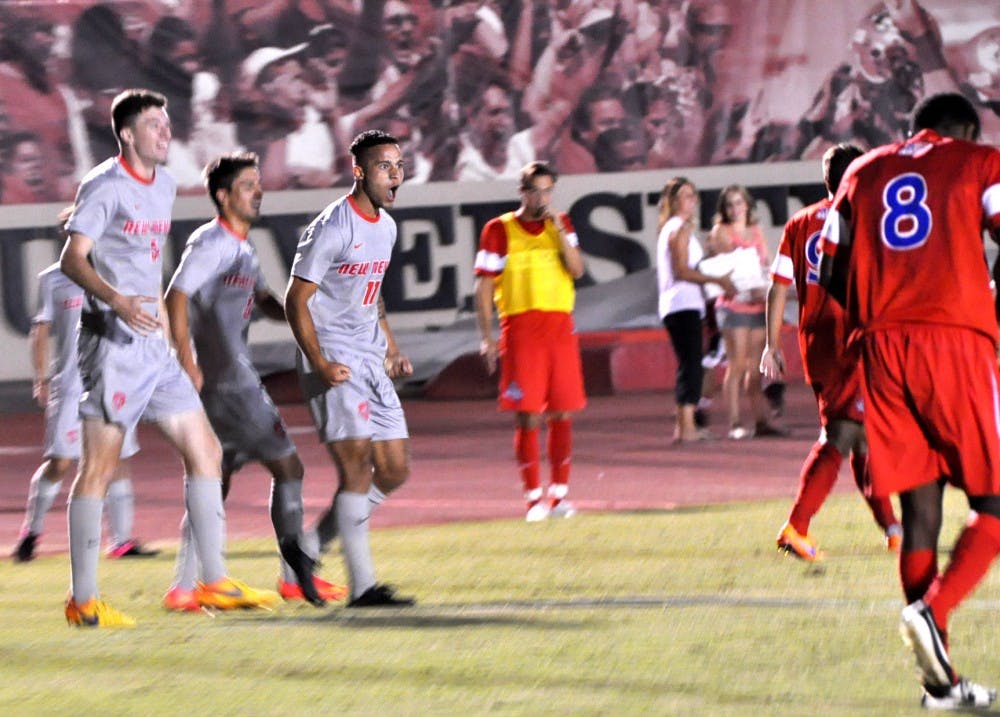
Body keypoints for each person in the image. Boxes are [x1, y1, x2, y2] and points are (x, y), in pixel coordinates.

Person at [59, 88, 278, 627]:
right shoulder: (104, 186)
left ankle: (211, 581)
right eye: (155, 125)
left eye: (166, 122)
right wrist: (115, 300)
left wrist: (173, 344)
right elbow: (72, 258)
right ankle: (82, 600)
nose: (165, 132)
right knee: (99, 469)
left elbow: (150, 268)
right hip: (112, 345)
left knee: (206, 452)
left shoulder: (161, 185)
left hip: (154, 346)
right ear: (128, 134)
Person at [819, 92, 1000, 710]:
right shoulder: (980, 160)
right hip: (954, 342)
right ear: (966, 129)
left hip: (882, 348)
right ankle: (933, 610)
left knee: (922, 511)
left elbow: (830, 270)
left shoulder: (862, 171)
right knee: (995, 500)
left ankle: (939, 687)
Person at [164, 152, 346, 611]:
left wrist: (306, 312)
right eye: (248, 185)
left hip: (220, 386)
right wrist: (186, 358)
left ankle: (184, 586)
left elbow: (263, 300)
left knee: (213, 480)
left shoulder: (240, 247)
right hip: (231, 385)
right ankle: (292, 575)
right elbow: (177, 294)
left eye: (258, 183)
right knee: (289, 469)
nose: (258, 191)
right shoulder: (212, 242)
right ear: (223, 196)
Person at [285, 129, 416, 608]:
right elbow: (295, 300)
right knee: (357, 466)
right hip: (332, 357)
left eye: (399, 165)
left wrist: (390, 348)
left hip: (368, 355)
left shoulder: (386, 226)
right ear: (358, 170)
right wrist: (319, 362)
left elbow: (373, 294)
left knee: (395, 470)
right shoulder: (332, 227)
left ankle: (307, 549)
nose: (395, 173)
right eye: (385, 165)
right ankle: (363, 588)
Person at [760, 144, 901, 561]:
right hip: (852, 337)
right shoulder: (864, 218)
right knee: (844, 433)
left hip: (815, 341)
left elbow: (779, 285)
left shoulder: (801, 221)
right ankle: (796, 526)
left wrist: (773, 342)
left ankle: (893, 528)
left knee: (863, 435)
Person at [13, 262, 157, 563]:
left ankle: (121, 540)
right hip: (69, 384)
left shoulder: (116, 272)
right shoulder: (53, 278)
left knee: (117, 458)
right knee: (61, 462)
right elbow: (41, 329)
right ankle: (32, 531)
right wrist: (41, 378)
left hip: (112, 379)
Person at [474, 161, 586, 522]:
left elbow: (578, 270)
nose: (542, 197)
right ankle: (533, 498)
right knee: (527, 415)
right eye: (535, 190)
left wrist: (558, 230)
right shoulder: (499, 229)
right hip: (521, 329)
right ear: (522, 191)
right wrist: (487, 337)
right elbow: (484, 285)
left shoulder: (562, 224)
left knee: (562, 411)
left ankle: (559, 496)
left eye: (547, 190)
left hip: (559, 327)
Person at [655, 177, 735, 442]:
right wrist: (716, 280)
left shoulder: (674, 228)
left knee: (690, 364)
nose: (690, 201)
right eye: (684, 196)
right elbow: (681, 270)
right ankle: (686, 426)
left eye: (692, 195)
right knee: (690, 365)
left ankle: (686, 425)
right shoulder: (679, 228)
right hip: (682, 304)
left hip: (683, 304)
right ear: (673, 201)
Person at [706, 184, 786, 439]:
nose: (735, 208)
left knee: (755, 367)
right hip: (733, 305)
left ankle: (761, 421)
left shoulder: (756, 231)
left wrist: (767, 288)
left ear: (747, 205)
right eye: (730, 204)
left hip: (757, 302)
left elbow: (765, 264)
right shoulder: (721, 232)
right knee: (737, 365)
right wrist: (748, 288)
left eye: (739, 203)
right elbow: (726, 268)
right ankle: (736, 423)